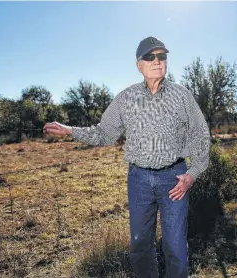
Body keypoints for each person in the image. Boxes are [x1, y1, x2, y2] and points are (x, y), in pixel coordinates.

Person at [43, 36, 210, 278]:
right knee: (140, 246)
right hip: (139, 180)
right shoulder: (126, 98)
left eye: (162, 56)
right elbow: (104, 133)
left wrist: (191, 175)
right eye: (150, 57)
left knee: (175, 247)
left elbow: (201, 135)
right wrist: (70, 130)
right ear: (138, 65)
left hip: (174, 180)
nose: (157, 61)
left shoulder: (182, 96)